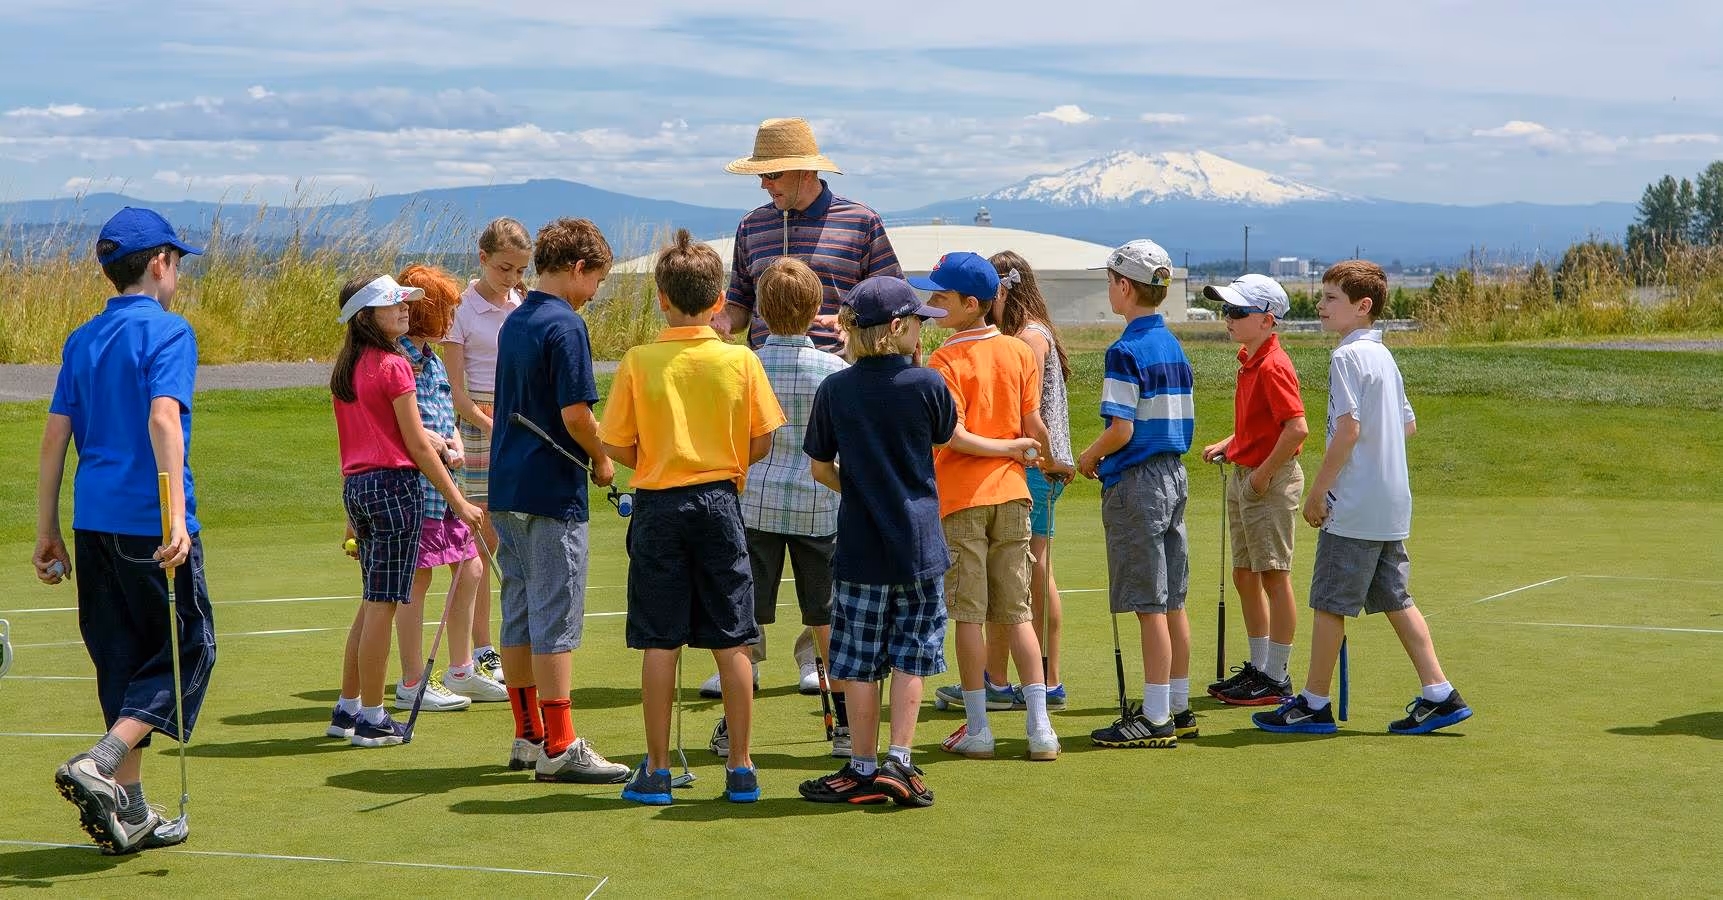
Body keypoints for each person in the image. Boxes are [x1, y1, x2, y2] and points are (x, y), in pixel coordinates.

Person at [38, 208, 217, 853]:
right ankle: (102, 763)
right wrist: (175, 520)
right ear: (160, 263)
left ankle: (133, 809)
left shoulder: (83, 338)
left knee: (122, 658)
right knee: (184, 652)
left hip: (94, 521)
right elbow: (164, 421)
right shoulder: (170, 333)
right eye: (179, 262)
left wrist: (46, 529)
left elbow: (56, 435)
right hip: (149, 522)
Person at [599, 229, 786, 806]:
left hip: (658, 504)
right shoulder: (741, 360)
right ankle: (741, 765)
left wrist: (655, 458)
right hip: (720, 502)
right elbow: (761, 442)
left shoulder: (639, 360)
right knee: (732, 638)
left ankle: (656, 769)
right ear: (717, 300)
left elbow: (617, 446)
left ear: (661, 297)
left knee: (661, 640)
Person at [1254, 261, 1473, 736]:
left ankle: (1313, 702)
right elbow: (1406, 424)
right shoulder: (1384, 358)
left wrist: (1318, 491)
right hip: (1391, 503)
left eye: (1332, 298)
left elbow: (1348, 429)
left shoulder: (1347, 359)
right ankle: (1439, 692)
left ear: (1362, 306)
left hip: (1353, 505)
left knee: (1330, 602)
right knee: (1396, 598)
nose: (1321, 305)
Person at [798, 276, 956, 807]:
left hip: (861, 547)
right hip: (920, 545)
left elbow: (821, 467)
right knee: (913, 655)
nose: (921, 333)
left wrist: (857, 488)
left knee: (860, 660)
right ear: (898, 327)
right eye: (917, 324)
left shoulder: (835, 389)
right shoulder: (927, 385)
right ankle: (900, 760)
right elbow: (942, 435)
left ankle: (862, 765)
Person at [487, 219, 632, 783]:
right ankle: (561, 744)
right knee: (556, 618)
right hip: (551, 491)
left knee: (520, 612)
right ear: (577, 269)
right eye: (595, 279)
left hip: (507, 489)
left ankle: (528, 734)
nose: (595, 291)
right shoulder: (565, 325)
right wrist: (603, 458)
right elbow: (576, 415)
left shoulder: (516, 318)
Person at [327, 274, 483, 750]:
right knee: (383, 604)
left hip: (359, 487)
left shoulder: (347, 367)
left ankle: (348, 707)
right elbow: (417, 443)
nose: (403, 311)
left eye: (404, 303)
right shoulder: (394, 365)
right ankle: (373, 718)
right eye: (391, 305)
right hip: (394, 489)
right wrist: (459, 502)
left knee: (371, 601)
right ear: (365, 316)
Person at [916, 253, 1058, 762]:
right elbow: (1032, 426)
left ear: (969, 304)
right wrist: (1038, 456)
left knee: (970, 615)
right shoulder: (1021, 353)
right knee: (1016, 612)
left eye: (940, 298)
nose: (931, 306)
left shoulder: (944, 361)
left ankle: (979, 727)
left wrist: (1012, 448)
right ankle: (1040, 728)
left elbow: (953, 436)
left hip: (964, 499)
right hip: (1014, 493)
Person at [709, 258, 852, 762]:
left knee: (745, 622)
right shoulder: (836, 370)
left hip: (754, 505)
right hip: (820, 507)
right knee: (827, 620)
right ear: (818, 309)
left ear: (762, 310)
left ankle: (733, 724)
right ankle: (846, 727)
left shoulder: (742, 365)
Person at [1077, 240, 1197, 749]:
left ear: (1125, 287)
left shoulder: (1124, 350)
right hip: (1174, 474)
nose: (1109, 289)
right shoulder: (1173, 344)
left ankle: (1154, 717)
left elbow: (1120, 429)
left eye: (1110, 281)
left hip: (1138, 481)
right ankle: (1178, 703)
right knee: (1172, 599)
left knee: (1149, 602)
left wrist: (1088, 457)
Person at [389, 264, 498, 708]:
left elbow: (442, 412)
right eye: (446, 311)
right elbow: (401, 425)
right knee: (418, 579)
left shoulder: (429, 358)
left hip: (445, 481)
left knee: (471, 567)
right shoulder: (396, 359)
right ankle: (412, 681)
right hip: (416, 487)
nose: (453, 319)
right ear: (424, 315)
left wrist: (451, 440)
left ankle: (461, 670)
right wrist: (434, 441)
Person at [973, 252, 1078, 711]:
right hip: (1036, 463)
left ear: (1004, 288)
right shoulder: (1030, 332)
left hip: (1035, 464)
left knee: (1032, 571)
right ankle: (1006, 677)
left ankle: (1044, 679)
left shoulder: (1029, 337)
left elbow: (1024, 408)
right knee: (1028, 571)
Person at [1199, 274, 1309, 706]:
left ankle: (1277, 676)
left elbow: (1295, 427)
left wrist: (1262, 472)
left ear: (1267, 320)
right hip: (1250, 474)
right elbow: (1262, 425)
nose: (1227, 318)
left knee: (1273, 576)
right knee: (1245, 574)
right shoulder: (1249, 360)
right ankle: (1261, 667)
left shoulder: (1273, 365)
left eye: (1236, 312)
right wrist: (1233, 442)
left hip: (1270, 480)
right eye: (1225, 310)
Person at [717, 116, 903, 354]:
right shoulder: (751, 225)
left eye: (772, 174)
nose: (764, 184)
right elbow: (740, 304)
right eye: (760, 175)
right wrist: (724, 320)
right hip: (762, 376)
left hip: (842, 375)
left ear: (806, 172)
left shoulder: (861, 222)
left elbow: (896, 301)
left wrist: (854, 322)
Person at [442, 217, 532, 687]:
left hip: (513, 422)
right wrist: (491, 426)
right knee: (477, 541)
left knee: (504, 537)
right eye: (504, 268)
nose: (513, 279)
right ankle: (480, 648)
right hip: (479, 426)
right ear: (482, 259)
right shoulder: (460, 309)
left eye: (520, 270)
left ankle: (490, 645)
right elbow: (457, 396)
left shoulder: (520, 302)